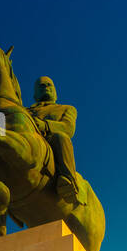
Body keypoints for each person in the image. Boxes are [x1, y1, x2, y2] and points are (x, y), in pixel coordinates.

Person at [27, 77, 83, 205]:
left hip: (52, 142)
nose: (46, 87)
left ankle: (68, 181)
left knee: (61, 137)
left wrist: (44, 125)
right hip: (30, 144)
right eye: (41, 86)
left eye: (49, 85)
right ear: (35, 95)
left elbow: (68, 128)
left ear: (55, 93)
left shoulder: (67, 108)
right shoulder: (24, 112)